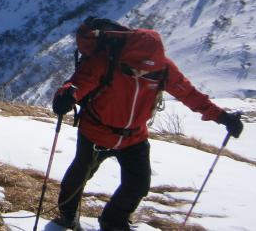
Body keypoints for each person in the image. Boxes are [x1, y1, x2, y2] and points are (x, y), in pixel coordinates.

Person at [51, 20, 244, 231]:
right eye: (133, 69)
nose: (139, 74)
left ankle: (113, 221)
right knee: (79, 176)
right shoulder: (106, 61)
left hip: (133, 137)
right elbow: (79, 82)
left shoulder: (163, 69)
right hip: (97, 131)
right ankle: (68, 215)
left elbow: (189, 94)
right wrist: (67, 95)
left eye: (145, 72)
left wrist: (223, 117)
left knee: (138, 185)